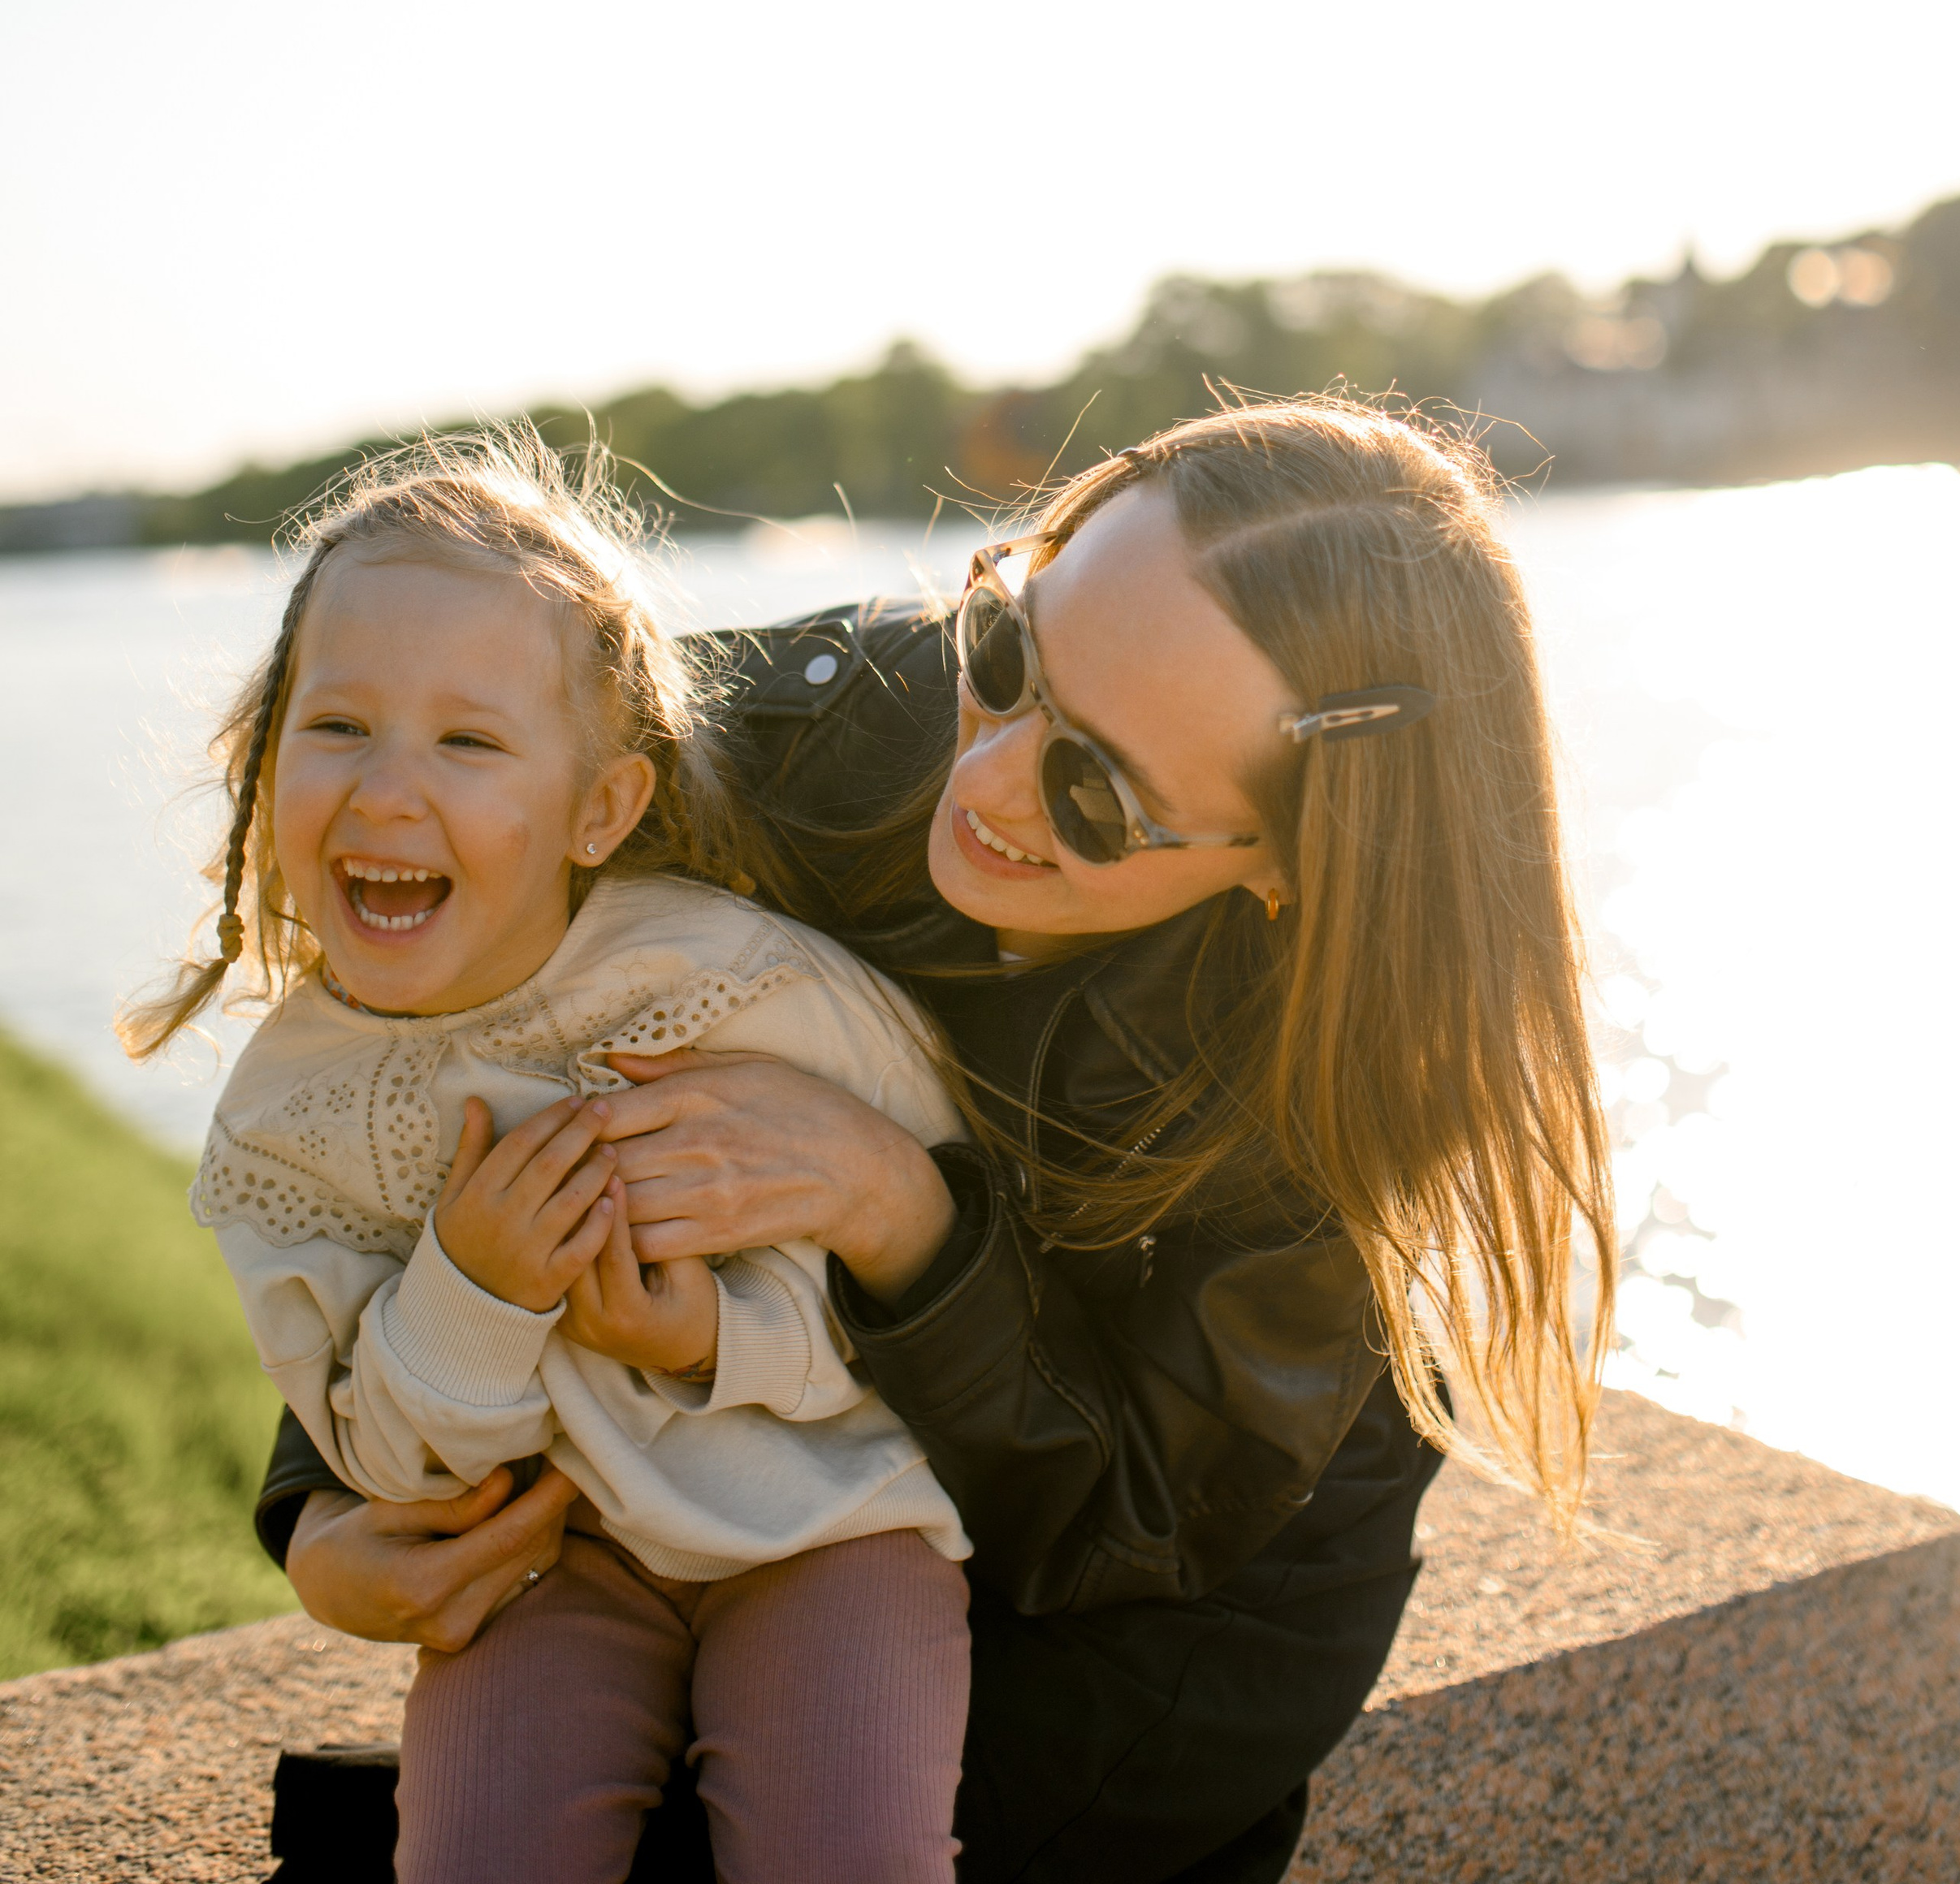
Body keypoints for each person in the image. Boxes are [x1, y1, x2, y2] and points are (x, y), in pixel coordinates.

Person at [253, 399, 1616, 1884]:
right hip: (755, 1488)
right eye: (1008, 657)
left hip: (1165, 1605)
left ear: (1292, 864)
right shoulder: (764, 733)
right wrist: (322, 1508)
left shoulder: (1330, 1085)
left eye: (1095, 797)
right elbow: (455, 1050)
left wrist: (899, 1207)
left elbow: (1134, 1518)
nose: (987, 780)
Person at [128, 437, 971, 1884]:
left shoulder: (748, 992)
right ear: (264, 763)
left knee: (850, 1852)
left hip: (831, 1527)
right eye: (337, 728)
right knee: (479, 1851)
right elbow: (372, 1462)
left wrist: (708, 1330)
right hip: (542, 1556)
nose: (390, 790)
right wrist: (473, 1291)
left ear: (602, 811)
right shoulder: (288, 1122)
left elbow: (947, 1299)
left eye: (468, 743)